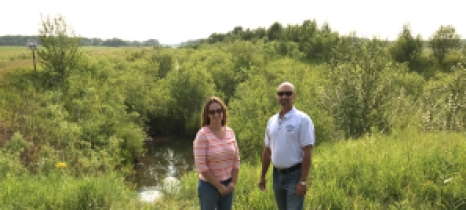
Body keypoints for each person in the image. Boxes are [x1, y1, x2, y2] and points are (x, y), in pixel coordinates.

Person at [258, 82, 315, 210]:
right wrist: (262, 176)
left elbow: (307, 152)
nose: (284, 96)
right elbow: (267, 150)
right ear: (277, 97)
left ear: (294, 96)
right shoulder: (272, 121)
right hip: (277, 175)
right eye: (280, 94)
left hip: (295, 175)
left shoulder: (302, 120)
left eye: (288, 93)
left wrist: (303, 181)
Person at [193, 96, 240, 210]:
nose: (216, 114)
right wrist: (219, 186)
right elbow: (201, 166)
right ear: (207, 115)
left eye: (219, 110)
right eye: (212, 112)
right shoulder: (202, 135)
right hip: (209, 186)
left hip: (228, 184)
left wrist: (233, 182)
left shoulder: (230, 132)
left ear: (223, 112)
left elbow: (236, 159)